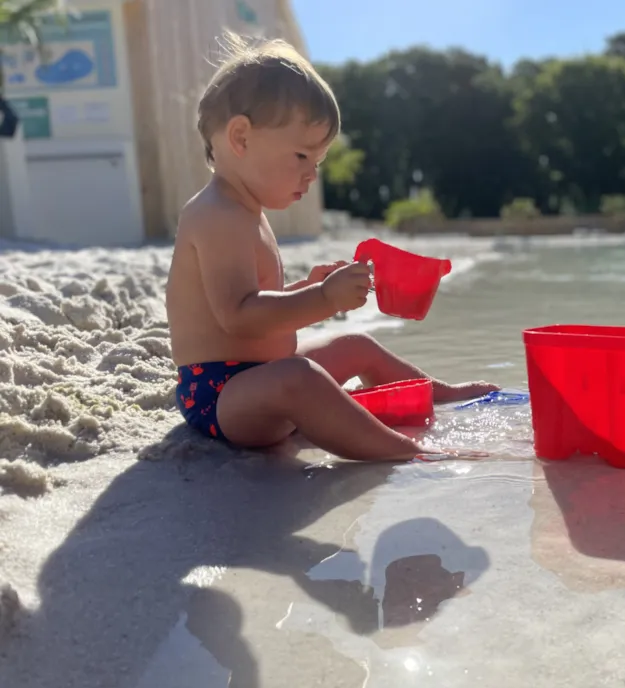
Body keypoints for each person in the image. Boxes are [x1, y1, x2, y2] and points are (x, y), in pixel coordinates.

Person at [165, 33, 497, 462]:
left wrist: (303, 288)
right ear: (241, 138)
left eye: (317, 162)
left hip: (256, 376)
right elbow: (238, 317)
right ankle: (405, 451)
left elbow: (249, 303)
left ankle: (439, 393)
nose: (312, 175)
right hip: (219, 395)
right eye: (302, 157)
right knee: (299, 377)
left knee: (354, 345)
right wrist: (322, 298)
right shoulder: (216, 214)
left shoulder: (247, 212)